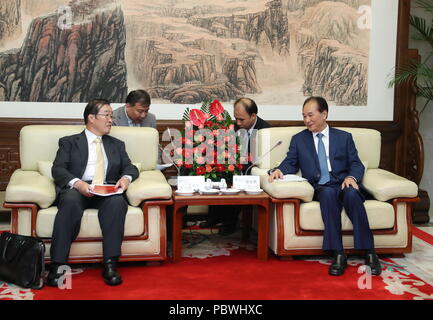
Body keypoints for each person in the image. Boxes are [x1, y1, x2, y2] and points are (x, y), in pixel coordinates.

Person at [268, 96, 382, 276]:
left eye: (310, 115)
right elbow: (290, 163)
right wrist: (277, 170)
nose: (307, 120)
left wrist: (352, 177)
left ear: (324, 114)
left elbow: (356, 163)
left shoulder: (344, 137)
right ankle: (338, 253)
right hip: (321, 186)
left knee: (352, 195)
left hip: (343, 182)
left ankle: (369, 252)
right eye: (304, 116)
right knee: (327, 195)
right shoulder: (299, 140)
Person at [47, 99, 139, 287]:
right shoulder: (69, 142)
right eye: (106, 115)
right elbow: (58, 169)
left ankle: (110, 263)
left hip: (106, 189)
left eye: (111, 116)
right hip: (79, 188)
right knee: (70, 201)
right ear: (91, 118)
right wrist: (78, 184)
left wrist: (125, 179)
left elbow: (130, 167)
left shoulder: (117, 144)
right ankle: (58, 265)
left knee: (117, 203)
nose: (110, 120)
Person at [200, 97, 271, 236]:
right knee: (217, 172)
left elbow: (264, 159)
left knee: (235, 179)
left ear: (253, 116)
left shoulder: (265, 131)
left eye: (241, 119)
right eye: (236, 118)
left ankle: (229, 223)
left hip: (251, 170)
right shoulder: (236, 126)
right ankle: (214, 217)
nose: (237, 123)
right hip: (236, 165)